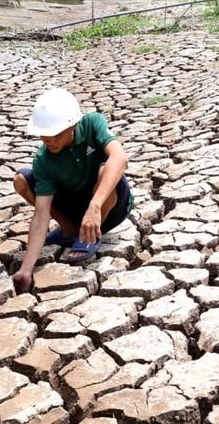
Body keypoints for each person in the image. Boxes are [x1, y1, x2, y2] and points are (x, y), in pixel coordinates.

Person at [11, 87, 133, 293]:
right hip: (75, 208)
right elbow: (41, 215)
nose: (48, 140)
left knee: (107, 169)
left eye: (54, 134)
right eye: (43, 135)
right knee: (22, 179)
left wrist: (94, 206)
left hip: (109, 207)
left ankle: (89, 237)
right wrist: (26, 269)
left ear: (72, 125)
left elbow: (120, 158)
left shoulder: (92, 124)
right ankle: (69, 229)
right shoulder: (43, 159)